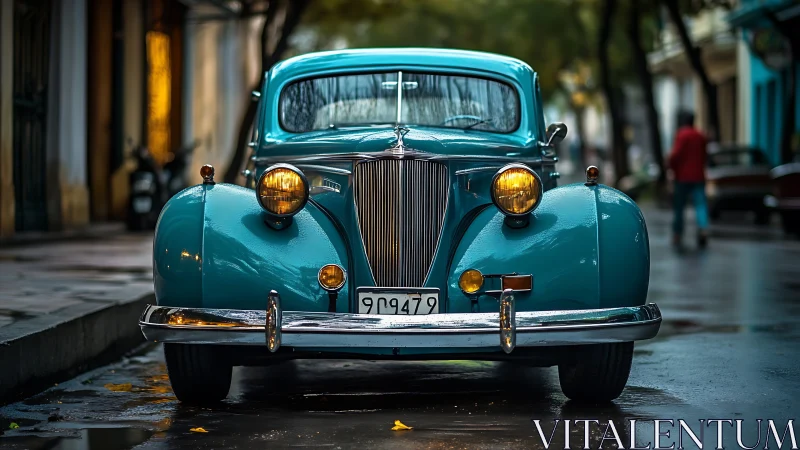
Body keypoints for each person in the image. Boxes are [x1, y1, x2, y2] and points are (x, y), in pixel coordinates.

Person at [668, 111, 709, 248]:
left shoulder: (682, 134)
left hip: (682, 177)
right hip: (698, 176)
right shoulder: (700, 135)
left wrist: (672, 168)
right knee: (701, 204)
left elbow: (675, 155)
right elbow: (704, 156)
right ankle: (703, 229)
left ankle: (678, 233)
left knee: (679, 207)